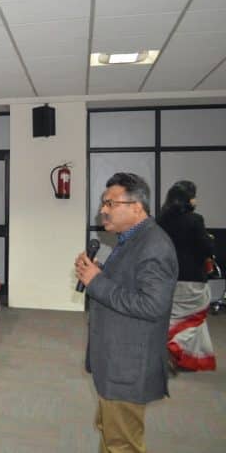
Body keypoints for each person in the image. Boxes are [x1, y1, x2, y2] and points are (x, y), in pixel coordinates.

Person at [74, 172, 177, 453]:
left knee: (122, 444)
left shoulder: (154, 245)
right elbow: (128, 284)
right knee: (111, 434)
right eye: (103, 203)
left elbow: (152, 305)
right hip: (116, 359)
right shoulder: (131, 239)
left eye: (110, 203)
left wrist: (97, 281)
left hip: (128, 364)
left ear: (136, 207)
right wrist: (97, 273)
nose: (102, 210)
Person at [157, 180, 216, 372]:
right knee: (194, 318)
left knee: (175, 318)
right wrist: (209, 240)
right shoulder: (195, 220)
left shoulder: (161, 221)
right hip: (192, 277)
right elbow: (205, 248)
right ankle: (171, 349)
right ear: (188, 199)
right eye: (194, 196)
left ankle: (186, 360)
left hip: (168, 276)